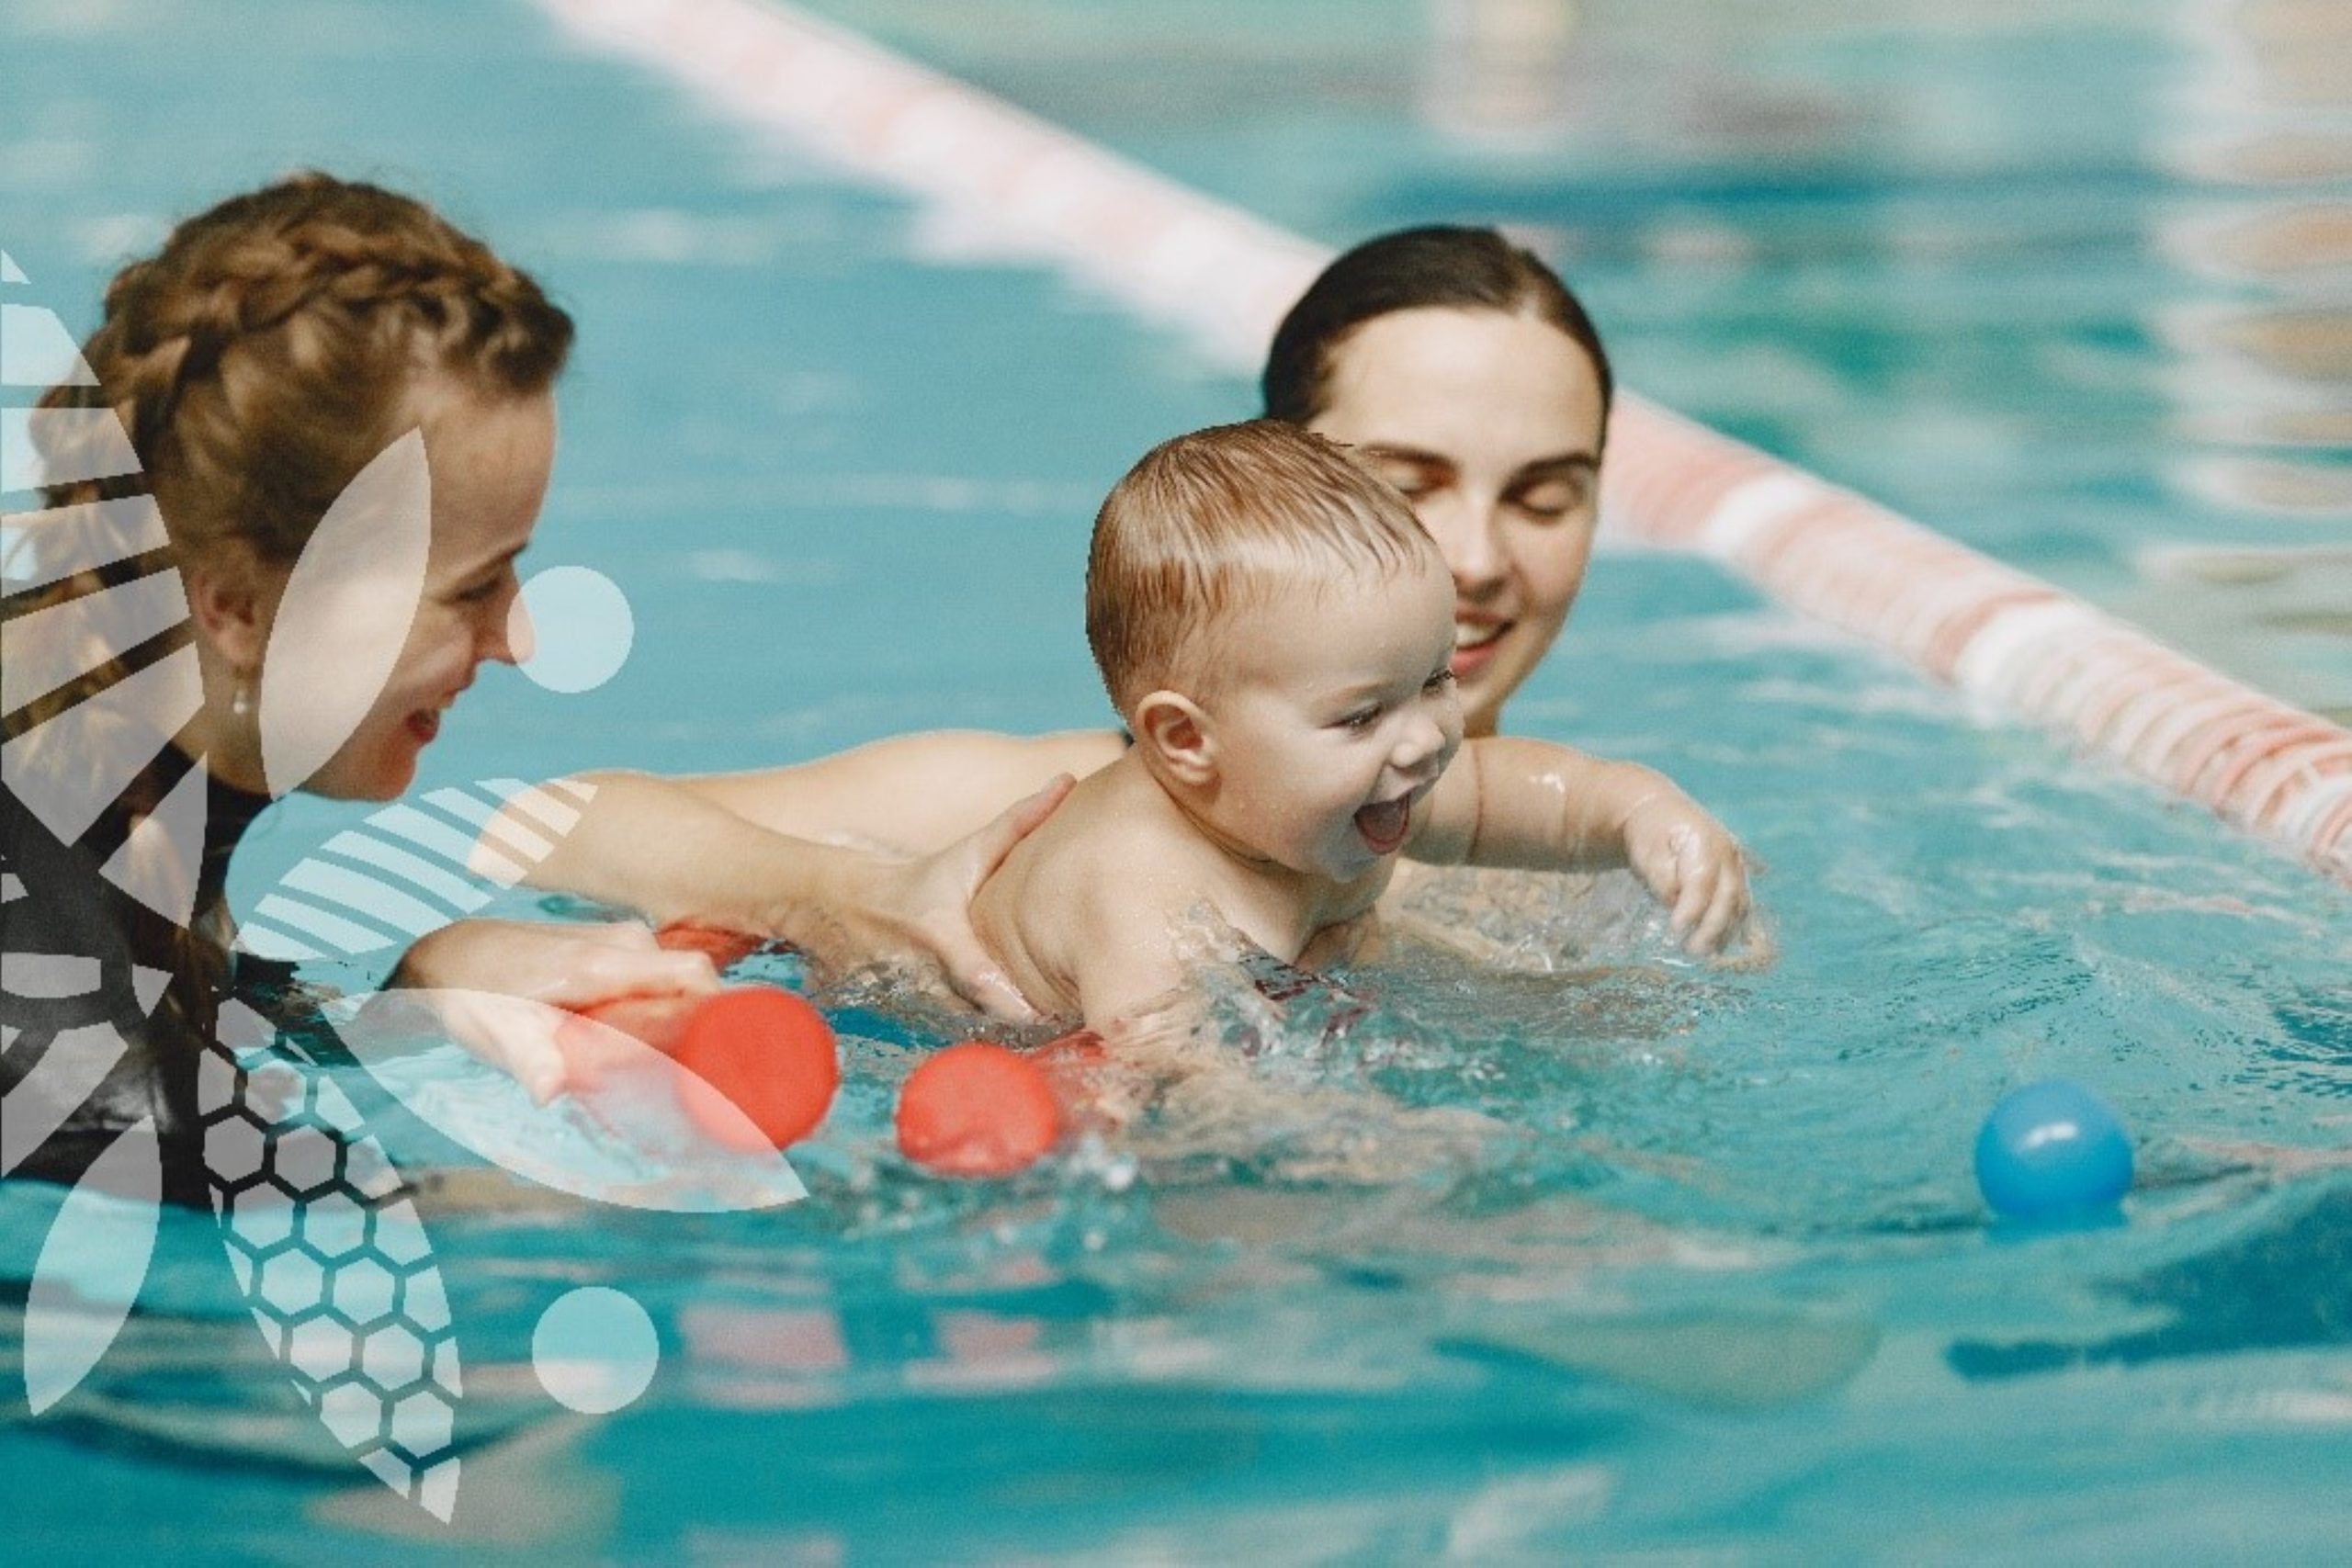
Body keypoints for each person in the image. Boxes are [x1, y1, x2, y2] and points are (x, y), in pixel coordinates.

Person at [0, 173, 1060, 1200]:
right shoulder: (88, 1051)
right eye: (471, 590)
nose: (520, 636)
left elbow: (203, 1017)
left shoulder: (88, 766)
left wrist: (427, 987)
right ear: (233, 604)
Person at [504, 225, 1746, 980]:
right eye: (1403, 485)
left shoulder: (1598, 872)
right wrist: (854, 899)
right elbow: (548, 823)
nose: (1476, 557)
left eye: (1543, 495)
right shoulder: (1070, 810)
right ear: (1282, 484)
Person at [968, 421, 1746, 1028]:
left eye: (1435, 678)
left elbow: (1533, 800)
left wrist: (1640, 814)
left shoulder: (1356, 789)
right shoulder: (1141, 893)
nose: (1426, 739)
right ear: (1186, 740)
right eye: (1362, 714)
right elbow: (1186, 1095)